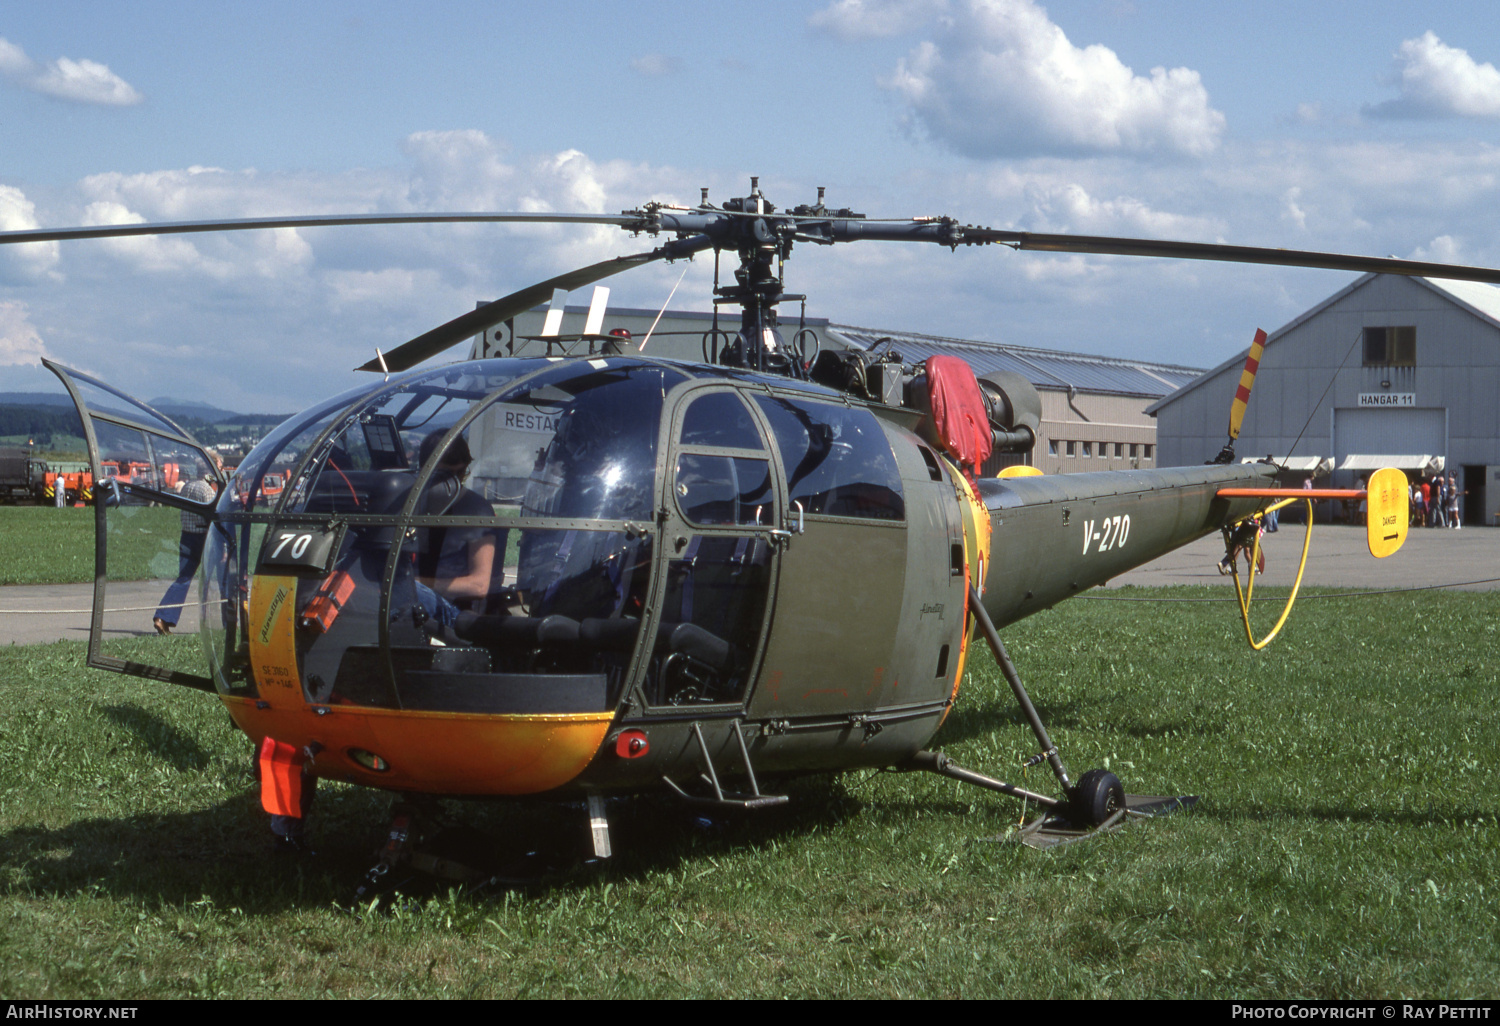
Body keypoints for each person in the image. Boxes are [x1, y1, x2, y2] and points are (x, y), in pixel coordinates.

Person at [415, 432, 503, 613]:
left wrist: (415, 584)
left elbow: (479, 585)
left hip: (453, 607)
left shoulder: (478, 509)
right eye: (444, 474)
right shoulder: (410, 502)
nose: (454, 481)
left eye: (460, 472)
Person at [153, 455, 223, 634]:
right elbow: (215, 518)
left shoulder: (187, 487)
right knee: (218, 578)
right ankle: (221, 619)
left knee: (183, 578)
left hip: (186, 536)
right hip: (203, 538)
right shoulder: (207, 491)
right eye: (218, 469)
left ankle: (163, 616)